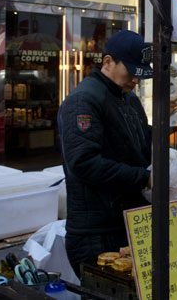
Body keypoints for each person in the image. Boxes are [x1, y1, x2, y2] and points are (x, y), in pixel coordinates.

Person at [59, 30, 153, 276]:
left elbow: (143, 144)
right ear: (108, 62)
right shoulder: (83, 101)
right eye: (130, 71)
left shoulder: (129, 99)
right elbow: (84, 162)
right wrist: (144, 178)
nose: (136, 79)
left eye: (140, 74)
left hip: (128, 222)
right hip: (96, 233)